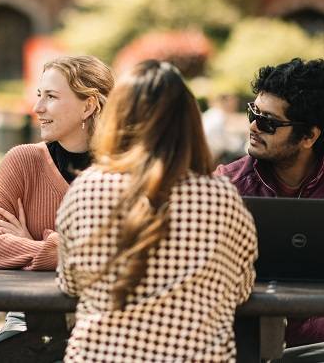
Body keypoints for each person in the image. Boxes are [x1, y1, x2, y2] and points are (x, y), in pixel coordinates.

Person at [56, 60, 257, 362]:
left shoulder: (86, 189)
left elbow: (70, 283)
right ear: (190, 124)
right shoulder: (223, 198)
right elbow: (241, 289)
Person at [217, 58, 324, 363]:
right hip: (241, 340)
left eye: (269, 122)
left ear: (309, 136)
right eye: (253, 112)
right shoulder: (226, 181)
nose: (253, 126)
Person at [0, 55, 114, 343]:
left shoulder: (125, 170)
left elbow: (125, 254)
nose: (37, 108)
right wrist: (63, 250)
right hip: (29, 322)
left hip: (108, 322)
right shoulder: (23, 161)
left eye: (51, 96)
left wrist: (38, 247)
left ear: (88, 105)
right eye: (39, 95)